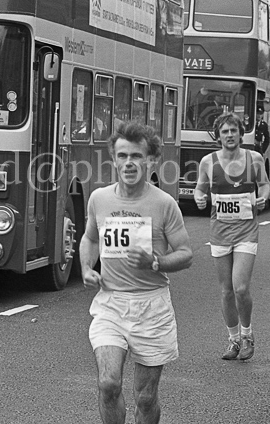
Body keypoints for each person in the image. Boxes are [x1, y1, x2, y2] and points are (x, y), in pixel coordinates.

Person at [80, 121, 194, 424]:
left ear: (151, 160)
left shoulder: (164, 204)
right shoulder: (99, 198)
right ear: (114, 159)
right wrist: (86, 267)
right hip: (110, 304)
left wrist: (155, 261)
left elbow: (185, 254)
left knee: (145, 398)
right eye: (122, 156)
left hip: (151, 306)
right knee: (108, 384)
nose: (129, 163)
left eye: (136, 156)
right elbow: (90, 238)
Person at [194, 113, 269, 361]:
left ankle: (248, 335)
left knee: (240, 287)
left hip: (246, 230)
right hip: (220, 232)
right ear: (218, 135)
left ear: (240, 133)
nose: (229, 135)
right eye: (225, 131)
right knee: (226, 291)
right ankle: (233, 340)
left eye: (233, 131)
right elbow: (200, 188)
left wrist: (263, 196)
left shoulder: (254, 158)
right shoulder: (208, 161)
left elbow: (265, 184)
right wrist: (199, 198)